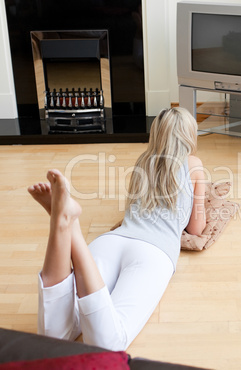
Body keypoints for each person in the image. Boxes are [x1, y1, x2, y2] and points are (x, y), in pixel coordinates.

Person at [28, 107, 206, 351]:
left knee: (56, 334)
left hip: (112, 241)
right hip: (154, 252)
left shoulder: (142, 161)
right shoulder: (194, 165)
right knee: (110, 343)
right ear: (189, 136)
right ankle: (74, 231)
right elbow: (196, 229)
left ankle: (64, 225)